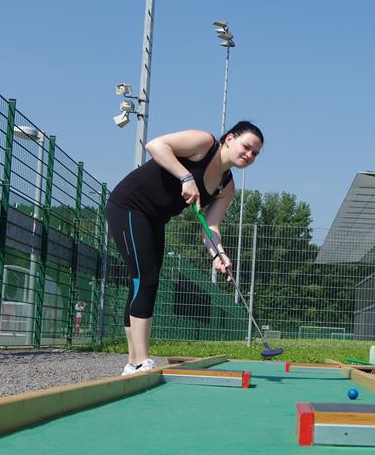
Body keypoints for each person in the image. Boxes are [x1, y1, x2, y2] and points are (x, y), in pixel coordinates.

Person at [106, 121, 263, 375]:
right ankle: (141, 361)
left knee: (142, 282)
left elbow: (210, 227)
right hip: (129, 205)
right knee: (145, 279)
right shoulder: (204, 143)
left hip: (156, 218)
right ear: (230, 139)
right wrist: (187, 177)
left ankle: (133, 363)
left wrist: (218, 254)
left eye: (255, 153)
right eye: (246, 147)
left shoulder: (227, 187)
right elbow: (155, 145)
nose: (249, 155)